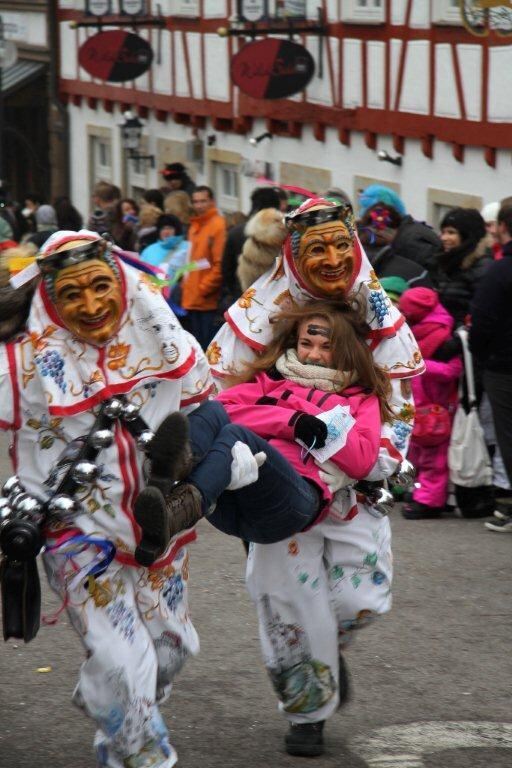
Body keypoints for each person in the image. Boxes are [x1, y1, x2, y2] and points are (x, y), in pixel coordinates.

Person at [208, 197, 423, 756]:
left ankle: (324, 647)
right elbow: (224, 397)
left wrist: (383, 461)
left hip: (355, 485)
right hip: (279, 485)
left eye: (339, 246)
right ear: (292, 254)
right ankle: (307, 711)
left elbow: (397, 400)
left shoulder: (377, 317)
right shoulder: (259, 315)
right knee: (288, 598)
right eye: (316, 248)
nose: (330, 259)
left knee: (362, 599)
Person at [0, 229, 213, 767]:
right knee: (123, 663)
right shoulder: (18, 363)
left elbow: (206, 415)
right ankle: (140, 751)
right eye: (72, 294)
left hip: (157, 529)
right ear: (50, 298)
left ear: (121, 280)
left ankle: (111, 701)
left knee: (170, 650)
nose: (91, 305)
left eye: (100, 286)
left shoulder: (161, 334)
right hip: (72, 532)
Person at [132, 300, 392, 563]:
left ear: (345, 349)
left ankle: (172, 516)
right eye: (306, 344)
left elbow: (361, 461)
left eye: (327, 347)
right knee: (211, 413)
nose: (313, 355)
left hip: (293, 503)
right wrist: (291, 421)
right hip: (228, 497)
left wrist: (306, 416)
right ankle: (165, 473)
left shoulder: (360, 398)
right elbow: (224, 408)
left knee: (236, 435)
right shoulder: (272, 381)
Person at [399, 287, 462, 519]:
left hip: (437, 405)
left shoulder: (443, 336)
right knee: (417, 453)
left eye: (406, 309)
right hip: (417, 402)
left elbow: (452, 370)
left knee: (434, 458)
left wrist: (420, 366)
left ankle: (430, 501)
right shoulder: (416, 331)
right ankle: (421, 492)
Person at [470, 205, 512, 533]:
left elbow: (481, 324)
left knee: (507, 438)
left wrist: (482, 358)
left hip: (504, 367)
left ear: (502, 227)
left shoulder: (499, 272)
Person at [221, 186, 283, 310]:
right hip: (276, 298)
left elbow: (226, 269)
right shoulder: (284, 233)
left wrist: (234, 293)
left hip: (243, 297)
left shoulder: (236, 232)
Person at [180, 186, 227, 350]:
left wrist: (203, 289)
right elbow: (193, 260)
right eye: (195, 202)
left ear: (212, 201)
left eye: (203, 201)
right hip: (192, 297)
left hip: (206, 300)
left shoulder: (218, 225)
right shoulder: (195, 226)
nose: (199, 205)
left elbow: (219, 264)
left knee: (205, 348)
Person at [429, 207, 492, 328]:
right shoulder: (448, 262)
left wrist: (456, 340)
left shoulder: (482, 268)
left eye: (451, 232)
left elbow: (483, 315)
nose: (443, 238)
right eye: (443, 232)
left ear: (467, 236)